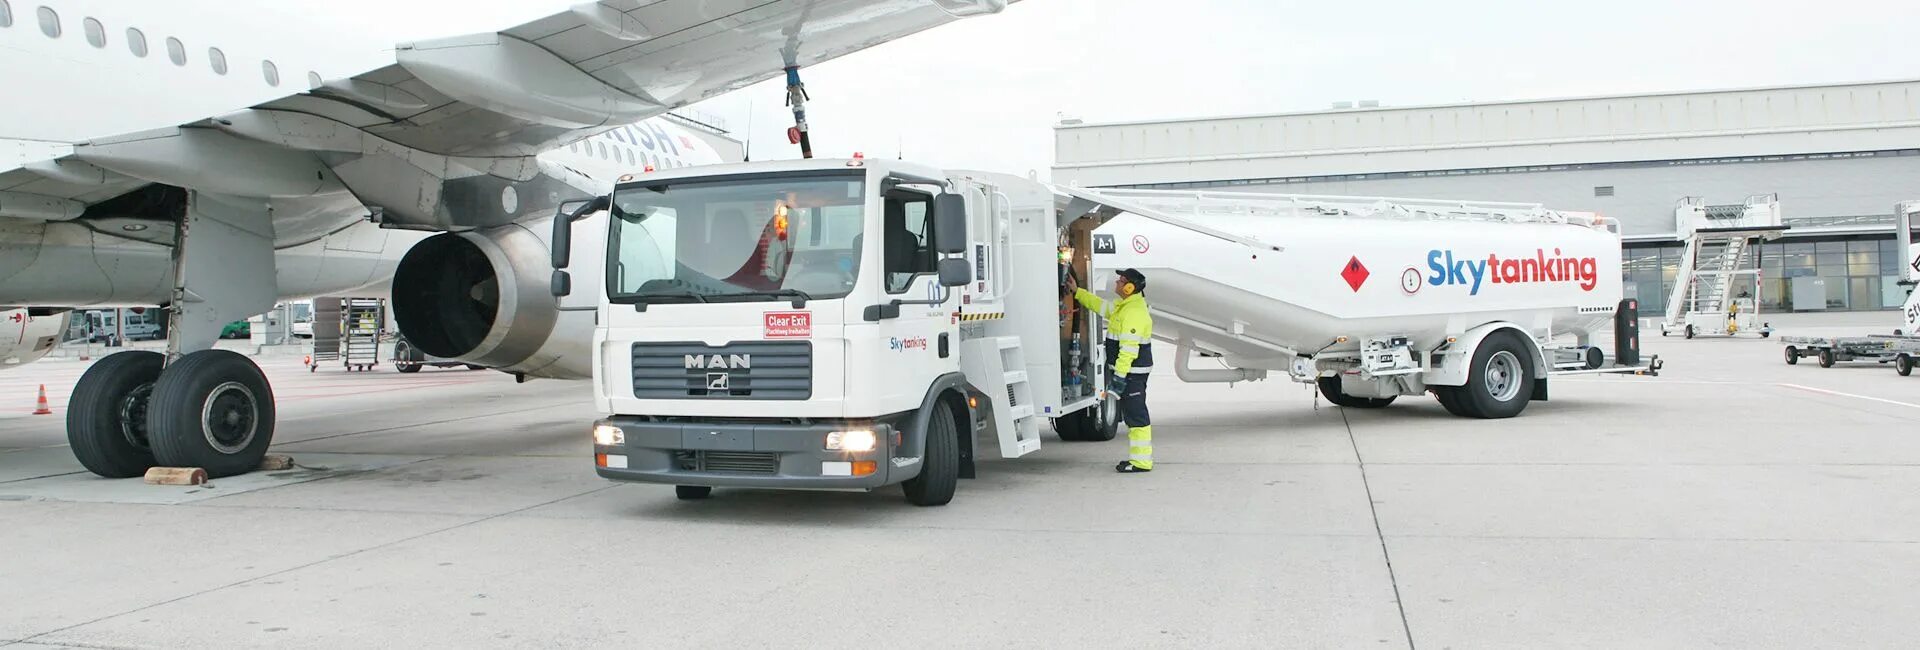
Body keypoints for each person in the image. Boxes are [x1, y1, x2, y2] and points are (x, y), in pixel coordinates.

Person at [1069, 268, 1155, 473]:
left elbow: (1128, 351)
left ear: (1129, 287)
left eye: (1121, 280)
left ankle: (1142, 461)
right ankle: (1137, 460)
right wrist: (1077, 291)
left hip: (1132, 373)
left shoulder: (1133, 313)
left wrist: (1119, 379)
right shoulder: (1123, 307)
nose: (1116, 283)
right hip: (1129, 372)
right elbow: (1100, 306)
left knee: (1136, 415)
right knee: (1133, 414)